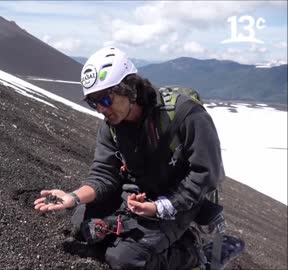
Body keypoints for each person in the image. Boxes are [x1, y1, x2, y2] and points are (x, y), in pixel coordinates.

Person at [33, 47, 225, 270]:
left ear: (130, 89)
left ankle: (190, 252)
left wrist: (162, 207)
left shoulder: (185, 114)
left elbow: (207, 173)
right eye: (92, 102)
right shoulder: (112, 126)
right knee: (80, 225)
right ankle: (146, 237)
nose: (100, 109)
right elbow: (104, 173)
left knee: (125, 259)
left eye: (104, 99)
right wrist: (73, 197)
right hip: (138, 194)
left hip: (180, 199)